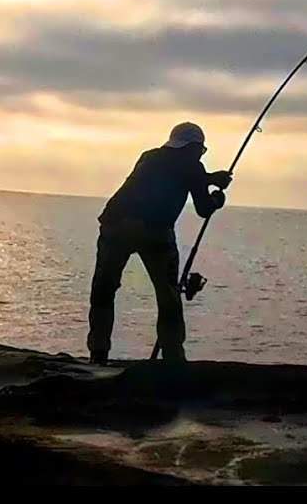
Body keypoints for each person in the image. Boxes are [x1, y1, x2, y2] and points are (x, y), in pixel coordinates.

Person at [86, 122, 232, 365]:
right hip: (156, 232)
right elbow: (203, 208)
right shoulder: (194, 168)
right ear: (194, 147)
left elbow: (165, 175)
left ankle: (98, 355)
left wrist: (206, 179)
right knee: (168, 297)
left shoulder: (150, 156)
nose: (199, 154)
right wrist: (217, 198)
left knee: (103, 291)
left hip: (116, 224)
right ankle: (173, 357)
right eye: (199, 149)